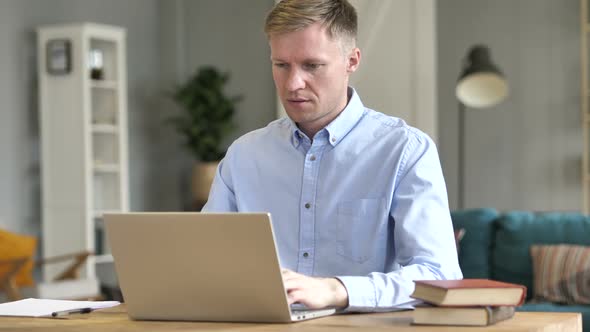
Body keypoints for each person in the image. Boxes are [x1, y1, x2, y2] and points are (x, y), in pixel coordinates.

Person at [202, 0, 462, 312]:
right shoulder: (243, 156)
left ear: (351, 61)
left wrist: (338, 289)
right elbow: (205, 263)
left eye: (312, 65)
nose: (293, 83)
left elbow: (439, 275)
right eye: (281, 65)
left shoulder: (405, 151)